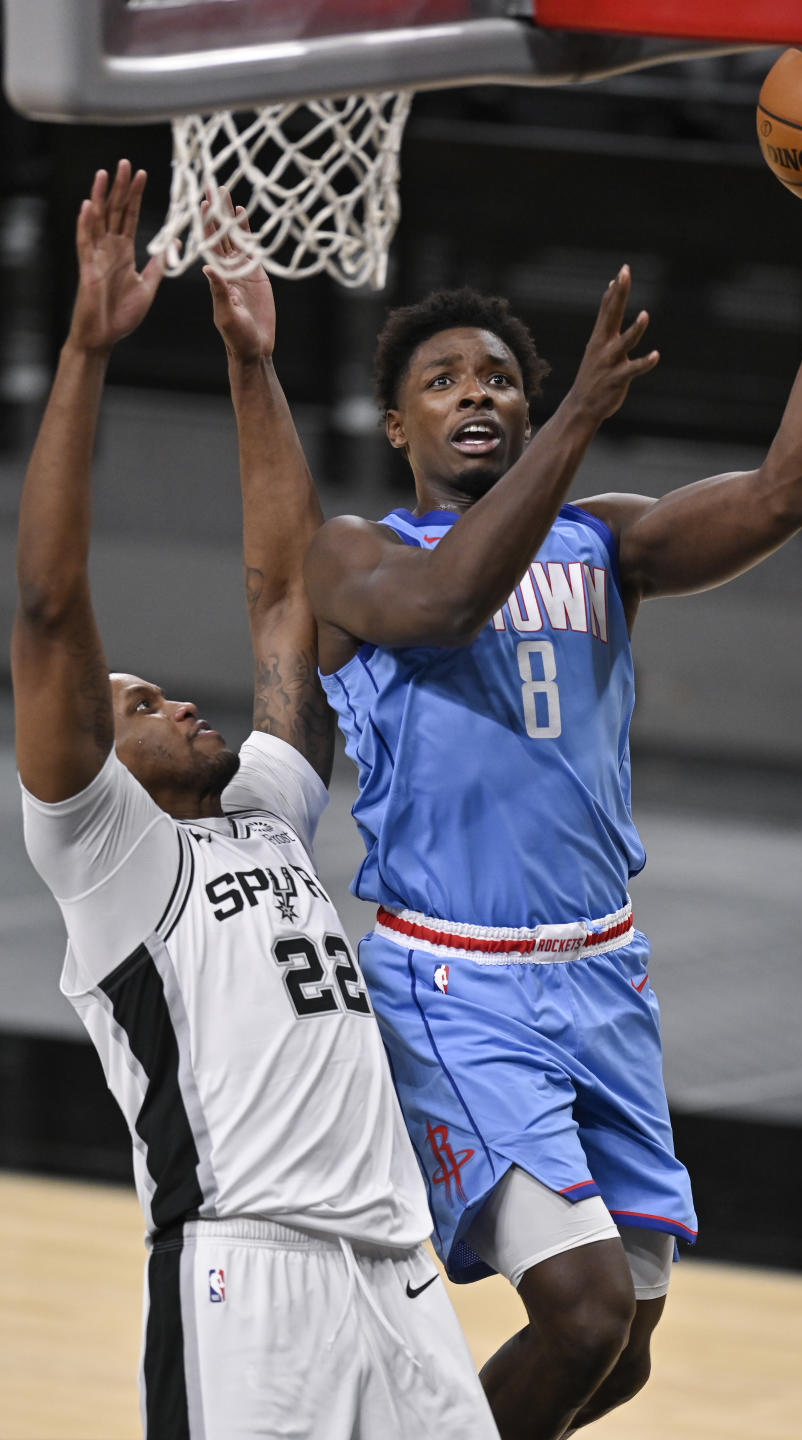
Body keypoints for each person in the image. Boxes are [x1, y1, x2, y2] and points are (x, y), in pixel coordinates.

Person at [301, 145, 802, 1440]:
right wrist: (579, 414)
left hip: (604, 973)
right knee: (583, 1313)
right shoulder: (360, 557)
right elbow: (450, 604)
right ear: (399, 425)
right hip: (456, 984)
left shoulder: (605, 542)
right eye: (444, 381)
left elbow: (785, 493)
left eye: (499, 379)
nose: (476, 394)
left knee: (623, 1355)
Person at [12, 161, 499, 1440]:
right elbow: (53, 607)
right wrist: (84, 351)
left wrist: (250, 364)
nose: (176, 702)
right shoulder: (107, 856)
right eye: (139, 705)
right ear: (95, 763)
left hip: (396, 1273)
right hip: (247, 1274)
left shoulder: (265, 809)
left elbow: (287, 597)